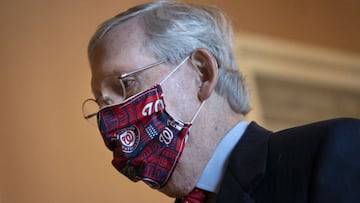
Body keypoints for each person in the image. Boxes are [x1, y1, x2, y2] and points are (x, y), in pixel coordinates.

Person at [82, 1, 360, 202]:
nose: (110, 118)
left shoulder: (333, 151)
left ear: (202, 73)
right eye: (102, 102)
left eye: (124, 84)